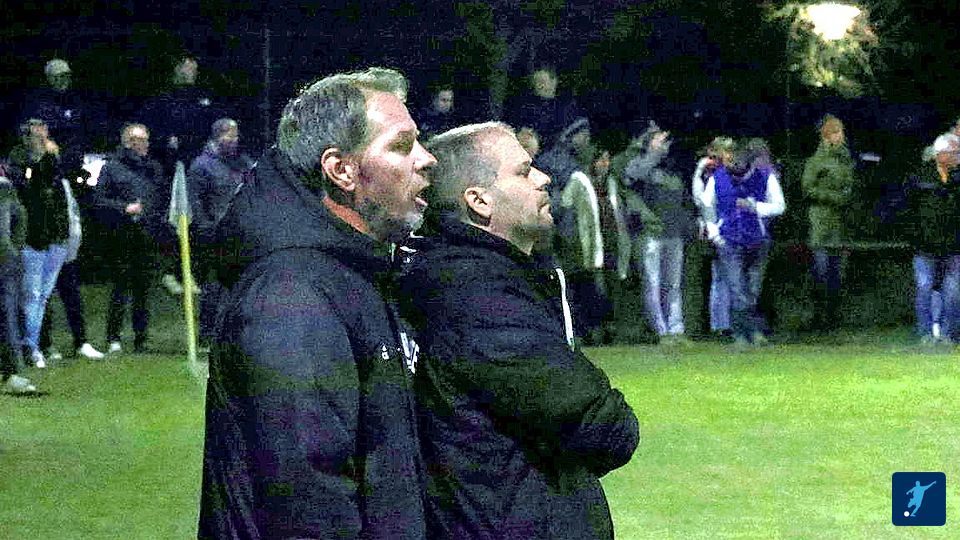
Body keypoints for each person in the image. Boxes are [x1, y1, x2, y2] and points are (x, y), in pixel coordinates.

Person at [199, 67, 436, 539]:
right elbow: (305, 498)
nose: (427, 159)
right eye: (402, 145)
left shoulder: (359, 270)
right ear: (341, 170)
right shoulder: (292, 294)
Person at [400, 122, 639, 539]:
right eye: (524, 171)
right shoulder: (479, 295)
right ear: (479, 200)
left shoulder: (479, 277)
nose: (543, 179)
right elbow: (604, 425)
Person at [702, 141, 786, 347]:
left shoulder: (765, 177)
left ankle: (752, 331)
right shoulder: (717, 178)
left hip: (758, 240)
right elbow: (707, 205)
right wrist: (714, 234)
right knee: (737, 288)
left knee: (753, 289)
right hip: (729, 241)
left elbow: (779, 206)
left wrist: (755, 207)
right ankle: (741, 333)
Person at [92, 124, 166, 354]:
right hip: (121, 235)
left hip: (146, 235)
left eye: (146, 140)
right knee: (120, 288)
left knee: (143, 289)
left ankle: (141, 338)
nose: (144, 145)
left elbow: (159, 197)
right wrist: (124, 208)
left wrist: (153, 217)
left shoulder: (152, 168)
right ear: (128, 142)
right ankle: (113, 337)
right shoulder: (112, 167)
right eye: (139, 140)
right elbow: (99, 200)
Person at [623, 122, 694, 344]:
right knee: (652, 283)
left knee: (673, 284)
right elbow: (631, 177)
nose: (664, 143)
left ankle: (676, 329)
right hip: (650, 233)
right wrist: (653, 153)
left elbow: (683, 200)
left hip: (674, 233)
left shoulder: (673, 167)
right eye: (658, 139)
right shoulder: (638, 163)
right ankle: (660, 331)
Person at [187, 118, 256, 347]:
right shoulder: (202, 165)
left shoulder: (242, 164)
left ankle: (236, 332)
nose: (234, 140)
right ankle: (208, 334)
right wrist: (207, 229)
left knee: (242, 286)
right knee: (214, 287)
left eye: (236, 135)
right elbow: (195, 202)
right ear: (218, 136)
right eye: (230, 135)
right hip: (214, 236)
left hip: (241, 233)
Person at [8, 119, 70, 368]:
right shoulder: (18, 161)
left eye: (45, 135)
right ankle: (29, 347)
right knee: (31, 295)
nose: (43, 140)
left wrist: (64, 233)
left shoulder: (52, 161)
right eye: (37, 136)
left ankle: (32, 344)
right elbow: (27, 188)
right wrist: (39, 159)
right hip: (33, 239)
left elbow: (59, 193)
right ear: (26, 138)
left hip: (55, 237)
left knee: (42, 296)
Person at [38, 173, 105, 361]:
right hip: (48, 249)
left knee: (72, 297)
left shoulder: (65, 184)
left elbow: (72, 217)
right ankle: (45, 345)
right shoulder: (43, 183)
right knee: (44, 298)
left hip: (65, 250)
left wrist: (73, 244)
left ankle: (81, 341)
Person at [904, 134, 960, 345]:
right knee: (924, 288)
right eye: (954, 152)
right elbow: (908, 211)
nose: (957, 156)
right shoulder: (919, 177)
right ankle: (925, 333)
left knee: (953, 292)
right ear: (940, 154)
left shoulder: (958, 178)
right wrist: (915, 237)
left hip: (953, 246)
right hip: (925, 246)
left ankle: (948, 333)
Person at [802, 115, 855, 331]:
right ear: (826, 135)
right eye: (835, 132)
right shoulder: (816, 161)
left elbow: (850, 186)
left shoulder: (845, 160)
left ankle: (833, 317)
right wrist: (834, 197)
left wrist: (846, 197)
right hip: (821, 223)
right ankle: (817, 315)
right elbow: (807, 188)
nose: (840, 136)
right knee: (821, 271)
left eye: (840, 131)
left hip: (840, 225)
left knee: (837, 274)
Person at [692, 136, 734, 338]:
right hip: (716, 229)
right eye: (726, 151)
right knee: (721, 277)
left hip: (734, 228)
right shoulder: (708, 172)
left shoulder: (732, 172)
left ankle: (730, 322)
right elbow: (701, 201)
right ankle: (720, 324)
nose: (730, 155)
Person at [0, 167, 37, 394]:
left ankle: (11, 371)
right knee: (7, 317)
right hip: (5, 264)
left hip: (5, 261)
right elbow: (10, 227)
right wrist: (13, 255)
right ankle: (12, 372)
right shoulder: (4, 188)